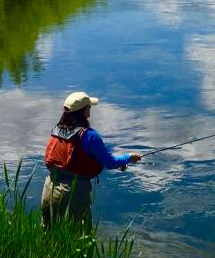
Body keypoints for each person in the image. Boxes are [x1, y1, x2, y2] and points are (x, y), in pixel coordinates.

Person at [41, 91, 141, 227]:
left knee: (49, 232)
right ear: (83, 111)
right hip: (73, 192)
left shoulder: (56, 131)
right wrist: (129, 157)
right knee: (80, 235)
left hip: (50, 187)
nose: (90, 109)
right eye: (89, 107)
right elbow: (110, 163)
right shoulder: (90, 136)